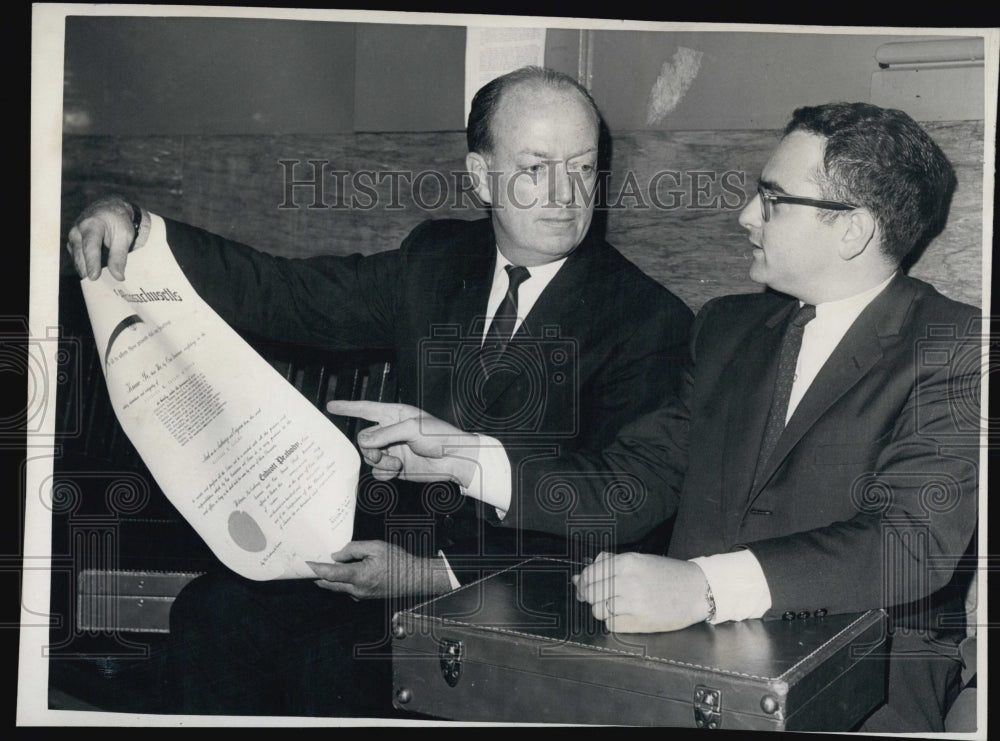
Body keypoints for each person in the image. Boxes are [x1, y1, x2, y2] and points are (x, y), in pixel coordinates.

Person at [64, 66, 693, 716]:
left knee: (330, 666)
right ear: (480, 176)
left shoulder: (649, 321)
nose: (566, 194)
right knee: (212, 614)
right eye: (536, 168)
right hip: (394, 551)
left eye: (583, 168)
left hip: (526, 590)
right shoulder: (437, 258)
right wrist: (141, 230)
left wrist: (432, 573)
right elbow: (292, 296)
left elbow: (617, 510)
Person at [337, 102, 980, 732]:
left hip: (865, 687)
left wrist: (701, 587)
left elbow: (908, 542)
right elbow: (638, 484)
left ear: (854, 230)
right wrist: (471, 459)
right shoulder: (728, 328)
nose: (745, 215)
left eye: (773, 198)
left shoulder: (956, 346)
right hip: (690, 679)